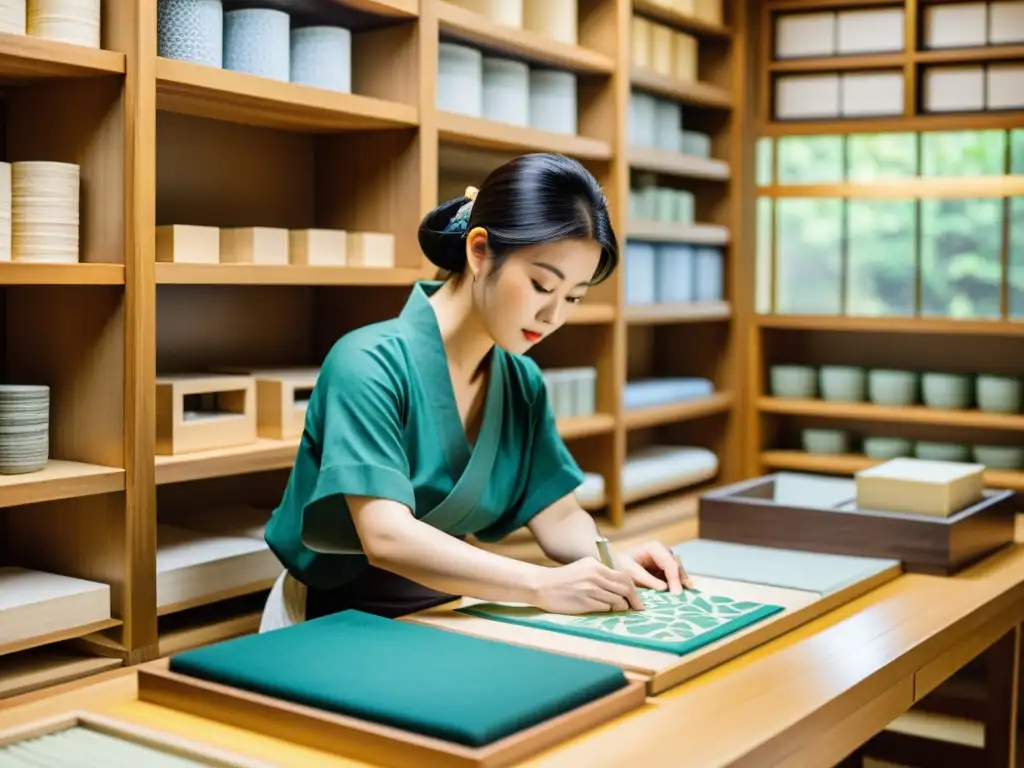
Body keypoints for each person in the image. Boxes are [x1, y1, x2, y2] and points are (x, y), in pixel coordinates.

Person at [259, 152, 692, 632]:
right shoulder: (365, 363)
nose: (554, 317)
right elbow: (385, 536)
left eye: (573, 297)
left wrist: (613, 563)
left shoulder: (521, 383)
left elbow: (559, 515)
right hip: (331, 621)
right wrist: (542, 586)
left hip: (446, 613)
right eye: (540, 284)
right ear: (479, 251)